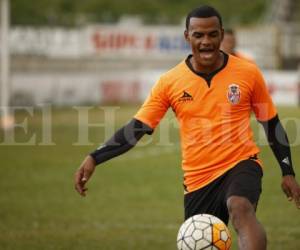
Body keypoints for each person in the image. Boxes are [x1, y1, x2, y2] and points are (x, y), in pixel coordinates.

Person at [75, 5, 300, 250]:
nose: (206, 42)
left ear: (221, 35)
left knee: (240, 207)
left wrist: (287, 170)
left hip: (241, 162)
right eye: (198, 35)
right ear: (187, 36)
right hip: (198, 178)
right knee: (200, 241)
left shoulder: (248, 72)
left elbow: (271, 123)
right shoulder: (170, 82)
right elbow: (137, 128)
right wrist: (95, 157)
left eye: (213, 34)